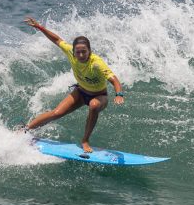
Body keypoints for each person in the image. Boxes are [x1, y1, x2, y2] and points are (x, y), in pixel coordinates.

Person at [23, 17, 124, 153]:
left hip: (99, 96)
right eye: (78, 52)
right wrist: (40, 27)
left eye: (84, 51)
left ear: (89, 51)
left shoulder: (96, 63)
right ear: (74, 51)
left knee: (94, 106)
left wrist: (119, 94)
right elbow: (57, 40)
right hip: (81, 92)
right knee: (56, 112)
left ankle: (85, 140)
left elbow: (114, 80)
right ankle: (25, 130)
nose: (81, 55)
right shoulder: (71, 52)